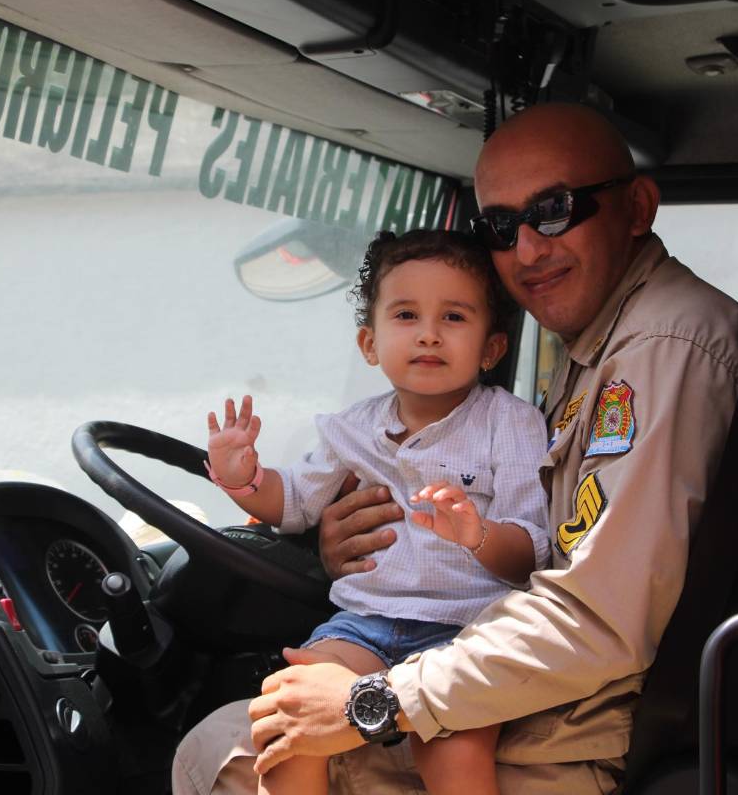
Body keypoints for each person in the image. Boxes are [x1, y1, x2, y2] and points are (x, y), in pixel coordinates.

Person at [172, 102, 738, 795]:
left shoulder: (661, 349)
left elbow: (600, 615)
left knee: (225, 749)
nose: (528, 250)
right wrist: (349, 542)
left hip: (569, 736)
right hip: (543, 694)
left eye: (555, 210)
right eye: (501, 228)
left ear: (636, 207)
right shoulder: (600, 340)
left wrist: (378, 703)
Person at [201, 229, 550, 795]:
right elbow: (293, 503)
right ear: (370, 343)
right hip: (365, 625)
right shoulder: (351, 428)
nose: (429, 334)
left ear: (491, 348)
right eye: (407, 315)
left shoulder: (509, 425)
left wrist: (477, 534)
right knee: (285, 709)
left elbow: (531, 551)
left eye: (455, 318)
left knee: (456, 748)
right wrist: (244, 479)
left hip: (466, 632)